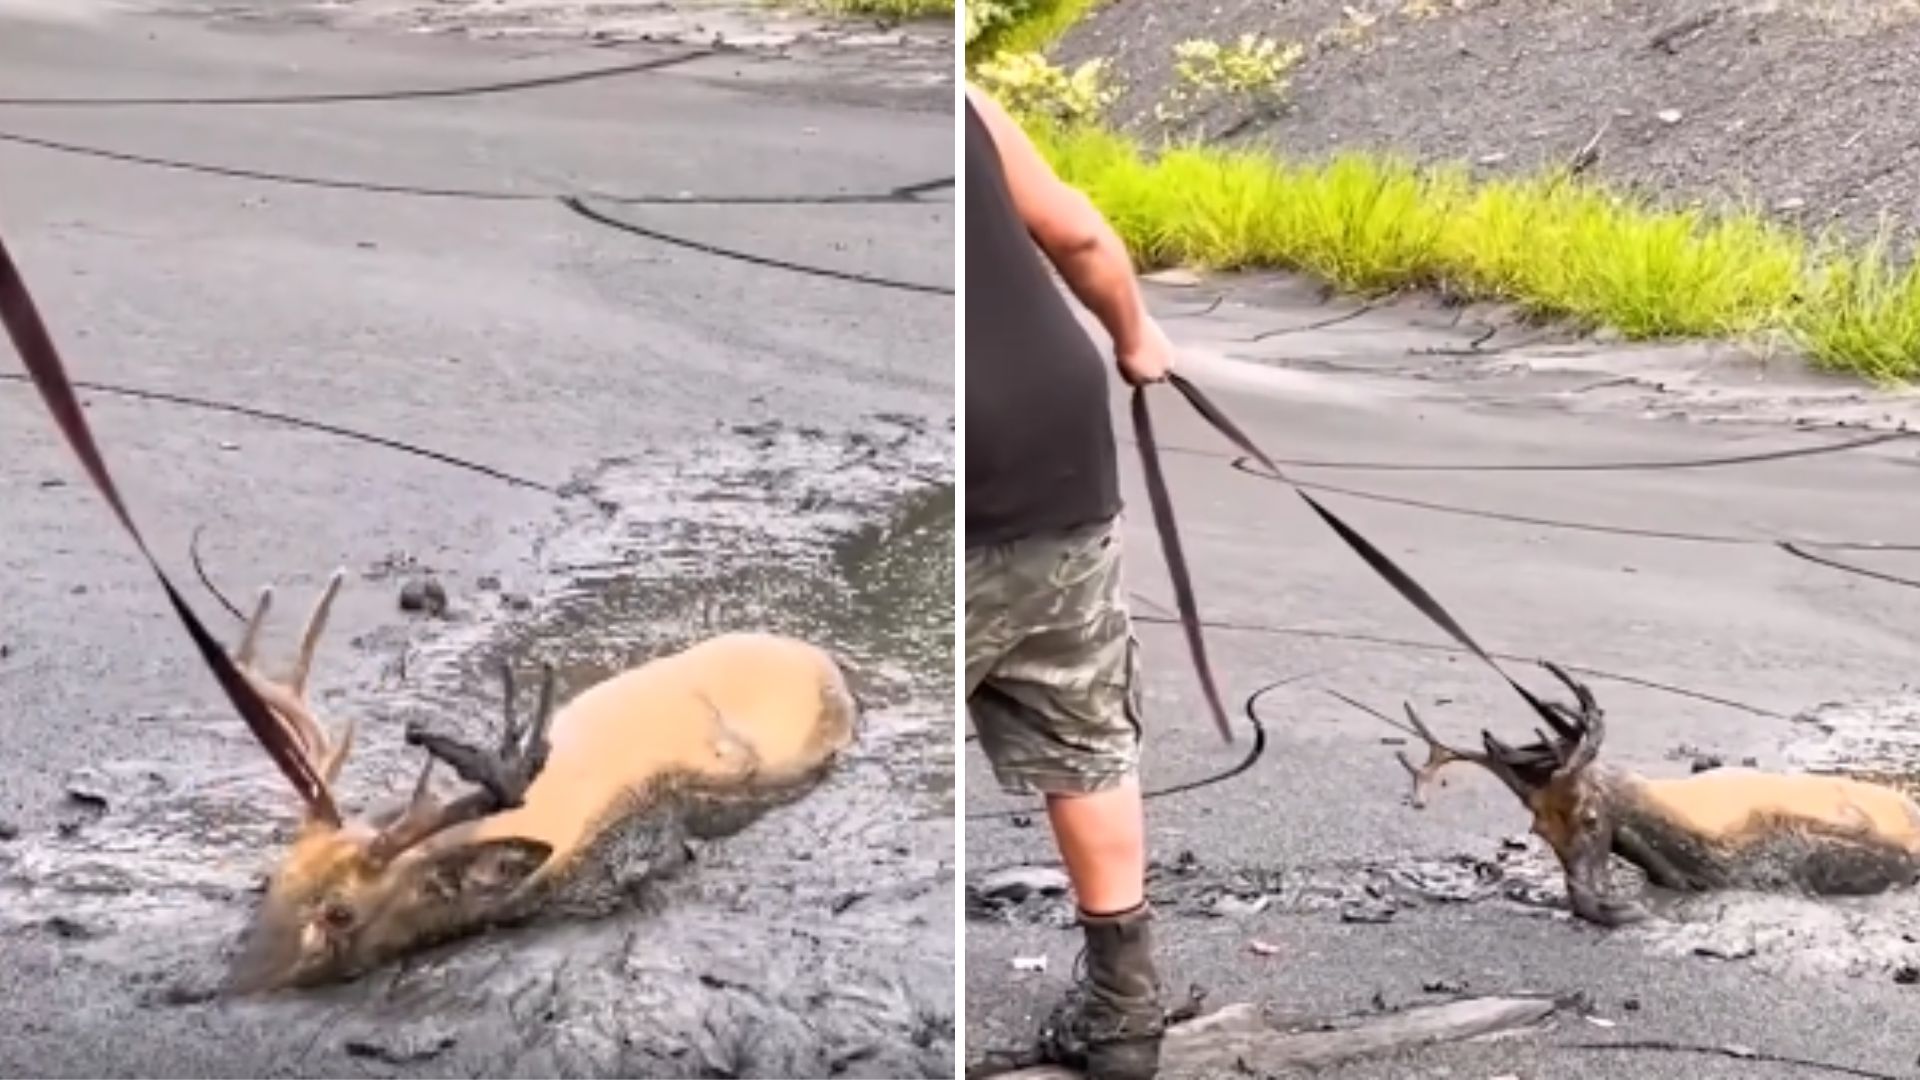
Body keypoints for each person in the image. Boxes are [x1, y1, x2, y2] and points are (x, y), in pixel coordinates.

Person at [963, 82, 1178, 1080]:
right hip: (1057, 444)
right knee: (1084, 731)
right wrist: (1138, 338)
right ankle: (1125, 1008)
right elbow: (1080, 237)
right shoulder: (961, 93)